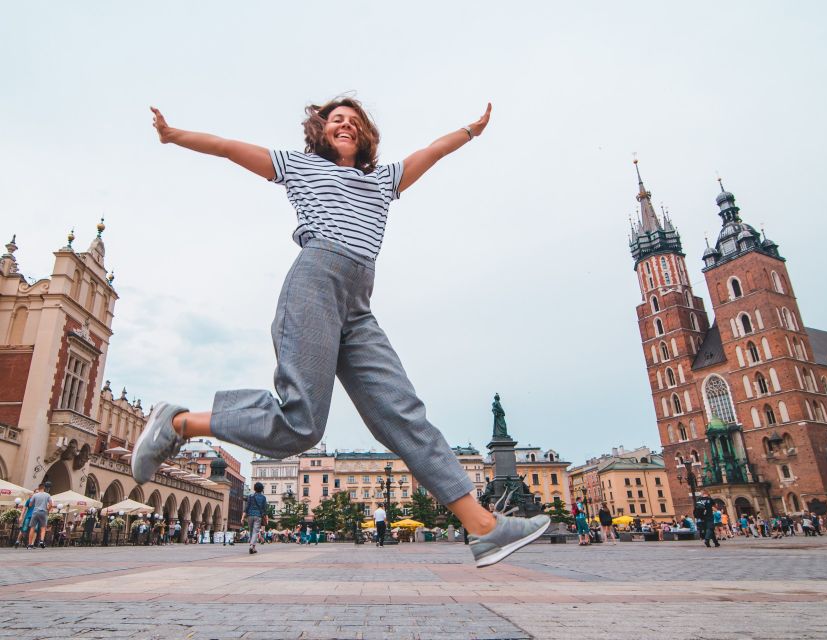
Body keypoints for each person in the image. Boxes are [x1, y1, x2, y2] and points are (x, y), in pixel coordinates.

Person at [131, 97, 549, 568]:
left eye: (354, 122)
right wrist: (173, 135)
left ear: (365, 135)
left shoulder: (384, 179)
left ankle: (484, 527)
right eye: (336, 120)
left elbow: (430, 152)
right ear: (321, 130)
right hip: (315, 282)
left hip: (358, 305)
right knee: (301, 424)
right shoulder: (299, 166)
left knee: (403, 413)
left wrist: (469, 132)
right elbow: (228, 147)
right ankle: (180, 423)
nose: (346, 125)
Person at [242, 482, 269, 554]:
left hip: (250, 515)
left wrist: (242, 518)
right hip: (258, 516)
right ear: (262, 489)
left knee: (251, 531)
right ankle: (251, 546)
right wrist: (266, 518)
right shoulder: (263, 497)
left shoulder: (250, 496)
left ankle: (253, 548)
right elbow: (264, 509)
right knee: (255, 532)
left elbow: (246, 508)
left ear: (254, 488)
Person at [27, 482, 53, 549]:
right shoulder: (47, 495)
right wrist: (48, 509)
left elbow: (30, 505)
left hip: (35, 512)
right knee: (43, 528)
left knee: (32, 528)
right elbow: (51, 504)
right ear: (44, 488)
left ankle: (29, 545)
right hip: (43, 512)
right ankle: (41, 541)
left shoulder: (35, 495)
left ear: (39, 488)